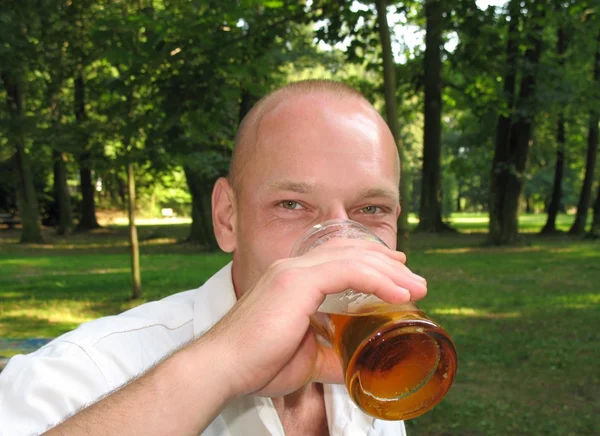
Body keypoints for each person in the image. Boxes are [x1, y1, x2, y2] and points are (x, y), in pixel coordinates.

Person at [0, 80, 428, 435]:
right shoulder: (79, 377)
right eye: (292, 205)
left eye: (370, 210)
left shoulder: (378, 364)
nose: (340, 245)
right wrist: (217, 366)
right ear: (227, 217)